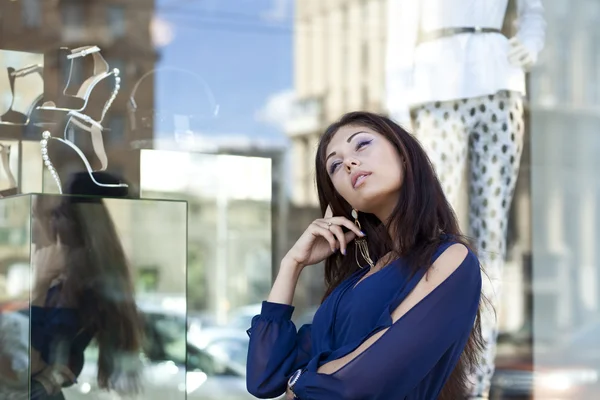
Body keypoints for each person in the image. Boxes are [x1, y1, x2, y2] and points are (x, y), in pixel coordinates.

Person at [246, 112, 485, 399]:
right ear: (342, 198)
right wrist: (292, 263)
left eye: (361, 145)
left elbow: (359, 384)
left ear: (404, 153)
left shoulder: (449, 258)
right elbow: (264, 378)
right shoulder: (352, 284)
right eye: (334, 165)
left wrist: (298, 381)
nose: (348, 162)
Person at [0, 172, 143, 399]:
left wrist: (40, 285)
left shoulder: (77, 284)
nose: (41, 226)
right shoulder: (66, 277)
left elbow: (30, 363)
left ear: (76, 225)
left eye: (55, 215)